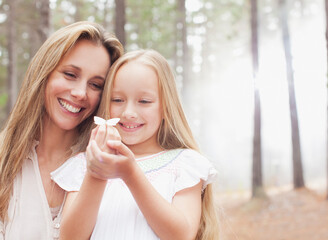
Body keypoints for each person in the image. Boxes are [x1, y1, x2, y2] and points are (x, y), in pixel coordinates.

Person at [58, 49, 220, 240]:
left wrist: (131, 174)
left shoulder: (183, 165)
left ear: (166, 107)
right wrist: (96, 173)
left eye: (144, 101)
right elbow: (70, 237)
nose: (128, 112)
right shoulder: (84, 164)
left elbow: (181, 235)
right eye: (118, 100)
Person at [0, 21, 123, 239]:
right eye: (70, 74)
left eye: (95, 85)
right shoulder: (4, 157)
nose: (80, 93)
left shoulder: (114, 168)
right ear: (44, 73)